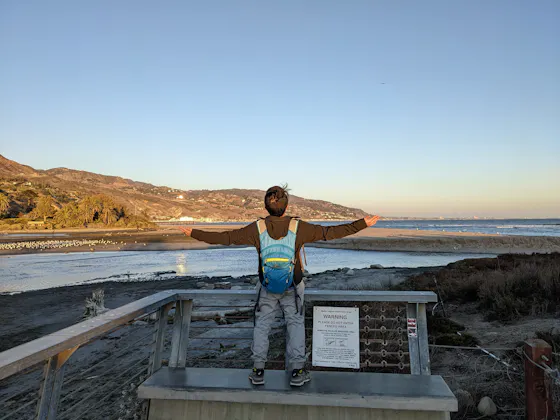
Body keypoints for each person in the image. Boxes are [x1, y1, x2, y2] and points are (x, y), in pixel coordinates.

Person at [179, 186, 380, 387]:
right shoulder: (298, 227)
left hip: (266, 287)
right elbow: (330, 232)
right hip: (293, 286)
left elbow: (226, 238)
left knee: (262, 326)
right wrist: (362, 224)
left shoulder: (257, 228)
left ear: (266, 206)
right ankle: (297, 372)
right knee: (295, 325)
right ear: (286, 206)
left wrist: (194, 233)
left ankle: (258, 371)